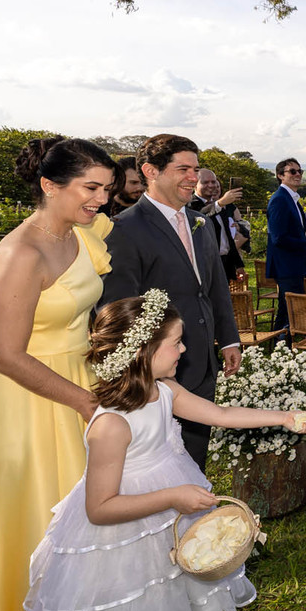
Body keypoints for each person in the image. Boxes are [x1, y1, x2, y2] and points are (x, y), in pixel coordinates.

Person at [23, 292, 306, 611]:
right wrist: (172, 498)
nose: (184, 350)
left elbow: (221, 414)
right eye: (176, 343)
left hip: (169, 497)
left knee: (168, 583)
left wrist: (284, 417)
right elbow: (99, 508)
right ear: (143, 352)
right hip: (123, 527)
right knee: (133, 602)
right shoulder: (111, 426)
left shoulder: (164, 390)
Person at [0, 137, 117, 611]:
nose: (102, 200)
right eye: (91, 187)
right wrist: (86, 402)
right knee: (35, 526)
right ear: (49, 184)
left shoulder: (80, 232)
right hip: (19, 406)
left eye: (108, 189)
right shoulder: (20, 252)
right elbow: (4, 353)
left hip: (75, 385)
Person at [102, 134, 241, 471]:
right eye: (183, 169)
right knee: (158, 462)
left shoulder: (202, 223)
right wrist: (145, 369)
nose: (194, 177)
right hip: (157, 371)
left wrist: (229, 338)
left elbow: (214, 288)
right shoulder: (123, 228)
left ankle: (190, 517)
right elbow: (119, 308)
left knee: (195, 455)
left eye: (195, 169)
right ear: (151, 170)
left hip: (203, 360)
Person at [267, 158, 306, 332]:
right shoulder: (279, 200)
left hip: (295, 265)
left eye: (300, 171)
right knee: (287, 310)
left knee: (289, 309)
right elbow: (278, 238)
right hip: (286, 266)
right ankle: (280, 344)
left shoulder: (293, 200)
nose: (297, 174)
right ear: (280, 175)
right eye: (292, 171)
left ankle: (284, 344)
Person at [189, 168, 246, 283]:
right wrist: (219, 203)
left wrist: (238, 265)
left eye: (213, 182)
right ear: (195, 185)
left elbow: (228, 238)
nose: (211, 185)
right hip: (203, 266)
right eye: (205, 182)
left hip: (224, 265)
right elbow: (200, 215)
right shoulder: (190, 204)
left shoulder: (219, 206)